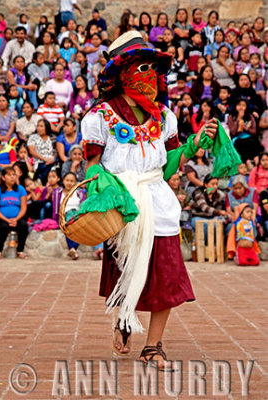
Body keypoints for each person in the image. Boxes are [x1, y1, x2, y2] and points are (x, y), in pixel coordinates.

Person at [81, 31, 219, 366]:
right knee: (127, 272)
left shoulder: (166, 117)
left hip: (159, 201)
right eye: (143, 67)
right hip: (123, 205)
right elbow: (91, 164)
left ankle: (153, 345)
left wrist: (192, 145)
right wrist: (106, 192)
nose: (151, 75)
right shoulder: (100, 116)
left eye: (154, 68)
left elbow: (169, 165)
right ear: (123, 71)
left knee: (166, 274)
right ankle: (125, 322)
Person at [52, 171, 85, 259]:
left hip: (77, 217)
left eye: (72, 181)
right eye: (67, 180)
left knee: (75, 225)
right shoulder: (57, 193)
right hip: (64, 218)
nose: (69, 183)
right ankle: (73, 249)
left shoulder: (80, 193)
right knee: (69, 224)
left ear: (75, 183)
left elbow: (83, 208)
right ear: (63, 181)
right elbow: (55, 209)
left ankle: (72, 249)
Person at [0, 166, 28, 259]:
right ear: (3, 177)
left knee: (23, 226)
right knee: (2, 227)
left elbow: (23, 208)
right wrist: (7, 220)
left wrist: (16, 219)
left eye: (14, 175)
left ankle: (20, 250)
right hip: (2, 218)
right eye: (9, 175)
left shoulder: (20, 189)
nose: (12, 177)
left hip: (17, 218)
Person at [227, 98, 262, 163]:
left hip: (249, 138)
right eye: (239, 105)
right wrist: (238, 119)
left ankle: (256, 162)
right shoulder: (231, 116)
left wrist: (246, 128)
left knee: (254, 142)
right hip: (238, 139)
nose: (241, 107)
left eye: (243, 105)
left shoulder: (249, 116)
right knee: (240, 143)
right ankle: (247, 162)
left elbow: (254, 132)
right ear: (235, 106)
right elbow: (232, 132)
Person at [27, 119, 55, 185]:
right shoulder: (33, 137)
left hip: (52, 162)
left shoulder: (52, 138)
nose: (39, 128)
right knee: (44, 169)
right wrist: (45, 159)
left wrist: (52, 159)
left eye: (41, 126)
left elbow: (55, 152)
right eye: (38, 126)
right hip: (39, 162)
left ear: (46, 127)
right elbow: (32, 151)